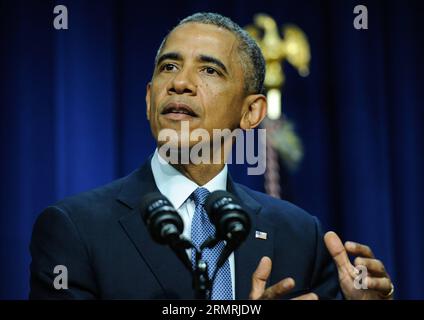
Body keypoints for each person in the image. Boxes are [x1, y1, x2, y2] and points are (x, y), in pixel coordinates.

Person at [29, 12, 393, 300]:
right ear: (148, 99)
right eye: (168, 67)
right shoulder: (74, 230)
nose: (180, 82)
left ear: (251, 112)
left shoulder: (300, 236)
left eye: (208, 70)